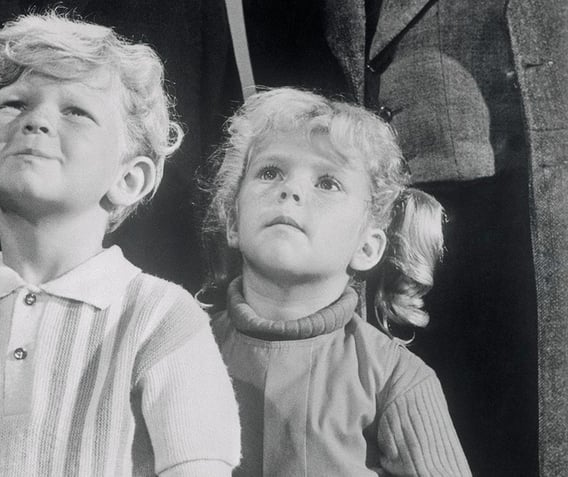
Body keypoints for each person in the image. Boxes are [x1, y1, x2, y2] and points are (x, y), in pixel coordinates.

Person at [0, 12, 240, 476]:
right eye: (14, 104)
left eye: (76, 111)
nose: (38, 121)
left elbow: (198, 466)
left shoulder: (161, 317)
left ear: (130, 178)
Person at [200, 87, 471, 476]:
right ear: (232, 220)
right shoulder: (184, 348)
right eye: (270, 171)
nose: (289, 190)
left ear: (367, 246)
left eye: (327, 182)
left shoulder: (396, 379)